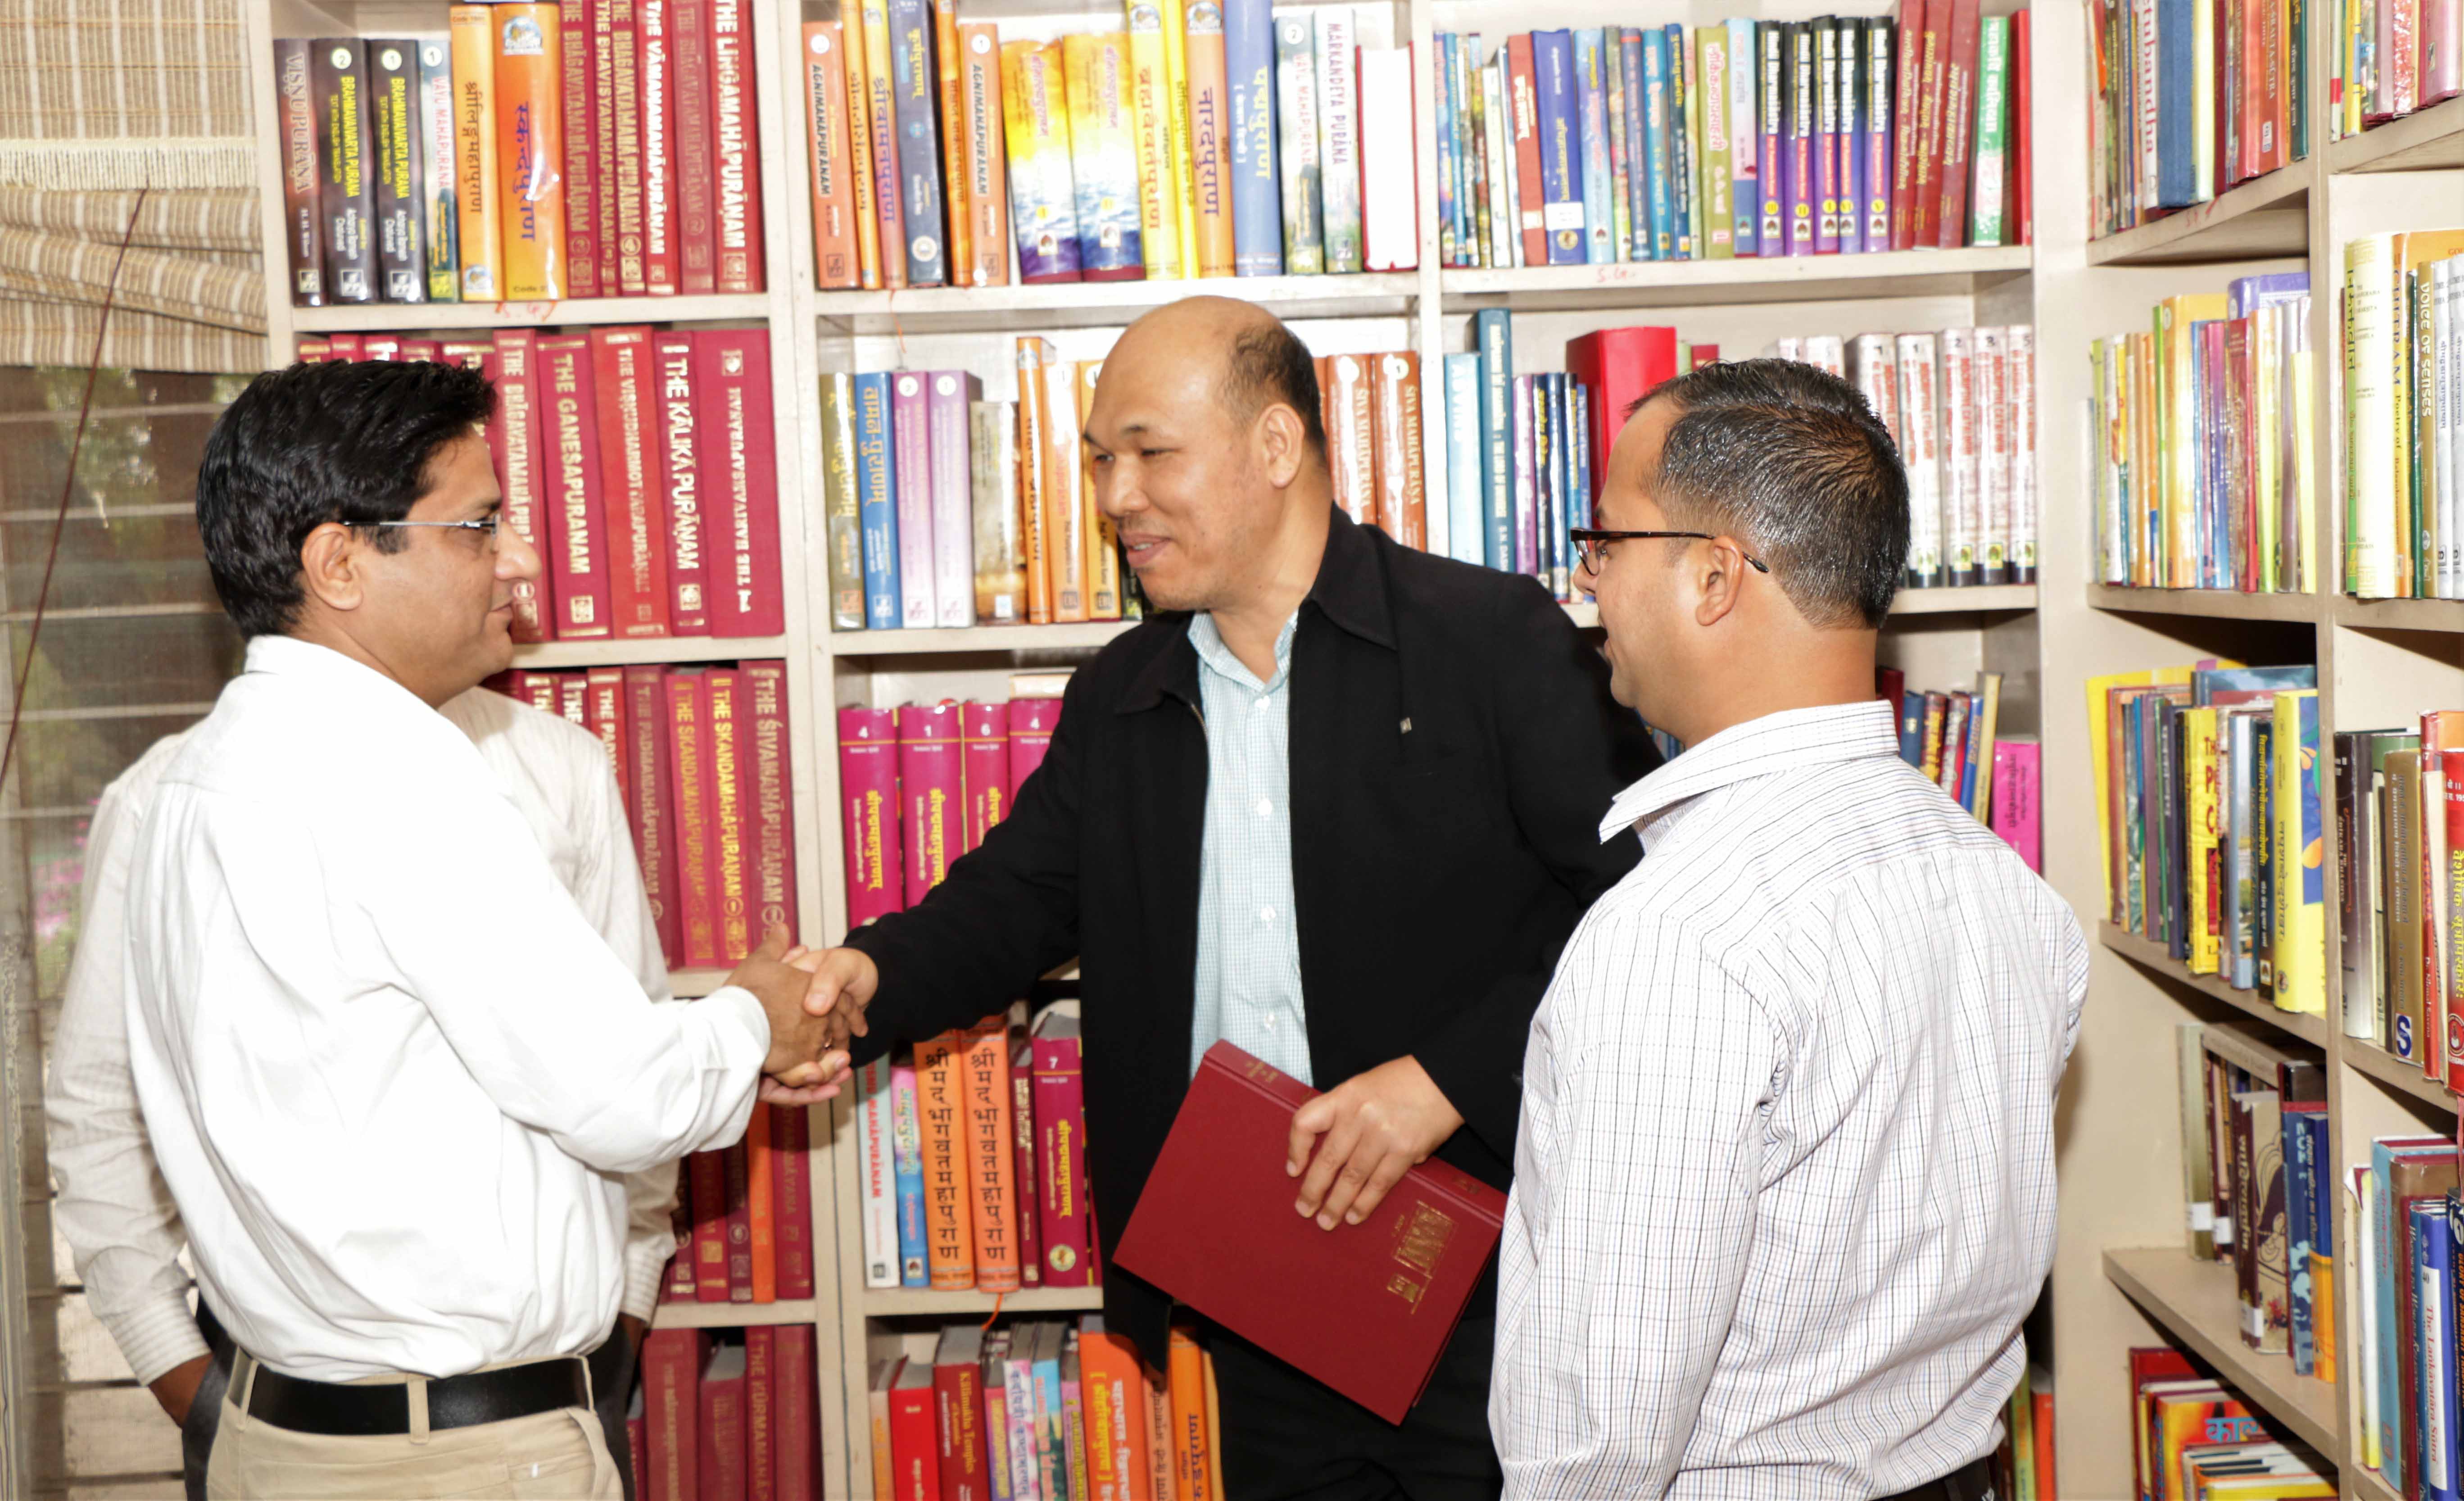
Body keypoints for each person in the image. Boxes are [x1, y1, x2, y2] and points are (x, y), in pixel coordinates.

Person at [800, 297, 1657, 1498]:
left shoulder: (1488, 638)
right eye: (1101, 459)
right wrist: (867, 979)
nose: (1117, 496)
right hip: (1261, 1291)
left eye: (1151, 451)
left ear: (1275, 443)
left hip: (1497, 1285)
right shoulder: (1122, 691)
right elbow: (1014, 898)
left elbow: (1646, 913)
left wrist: (1448, 1077)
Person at [116, 358, 847, 1501]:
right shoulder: (400, 778)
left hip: (282, 1442)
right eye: (478, 526)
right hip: (449, 1459)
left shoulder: (182, 782)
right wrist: (757, 1017)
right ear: (340, 563)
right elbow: (626, 1094)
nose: (521, 559)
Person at [1489, 358, 2086, 1500]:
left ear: (1714, 577)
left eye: (1605, 540)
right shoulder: (1999, 881)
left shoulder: (1676, 935)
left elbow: (1599, 1435)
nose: (1586, 578)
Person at [48, 683, 711, 1501]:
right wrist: (189, 1383)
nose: (522, 600)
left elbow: (635, 1054)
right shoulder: (172, 793)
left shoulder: (559, 766)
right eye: (482, 547)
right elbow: (98, 1103)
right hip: (269, 1421)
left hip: (551, 1412)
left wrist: (624, 1318)